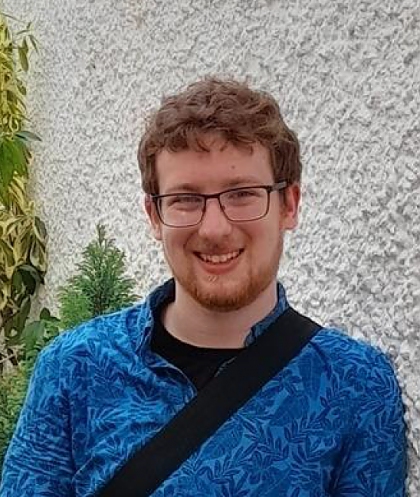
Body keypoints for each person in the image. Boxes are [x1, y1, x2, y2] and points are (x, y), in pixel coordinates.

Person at [0, 78, 406, 496]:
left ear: (289, 205)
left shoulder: (356, 385)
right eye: (185, 199)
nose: (214, 228)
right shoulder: (74, 369)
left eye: (243, 194)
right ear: (154, 216)